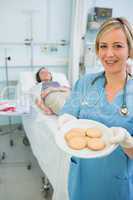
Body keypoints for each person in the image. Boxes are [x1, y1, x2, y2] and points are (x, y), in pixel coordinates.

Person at [59, 17, 133, 200]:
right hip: (81, 180)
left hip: (116, 184)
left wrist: (128, 142)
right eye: (103, 46)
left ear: (130, 50)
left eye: (117, 46)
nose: (109, 54)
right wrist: (66, 120)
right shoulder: (85, 83)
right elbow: (68, 111)